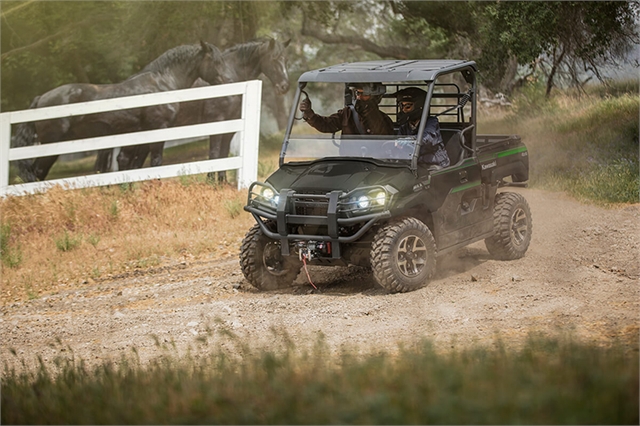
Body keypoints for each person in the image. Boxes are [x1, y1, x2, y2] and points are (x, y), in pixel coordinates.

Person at [299, 83, 394, 136]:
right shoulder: (347, 113)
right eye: (357, 93)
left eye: (364, 94)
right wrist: (310, 114)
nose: (359, 97)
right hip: (349, 164)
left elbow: (387, 149)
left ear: (375, 97)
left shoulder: (384, 121)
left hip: (375, 167)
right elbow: (326, 125)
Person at [395, 87, 450, 169]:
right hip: (414, 164)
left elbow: (428, 138)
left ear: (419, 106)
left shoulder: (431, 122)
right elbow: (399, 145)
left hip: (434, 164)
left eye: (408, 106)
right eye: (402, 106)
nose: (404, 110)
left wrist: (410, 140)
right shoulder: (404, 127)